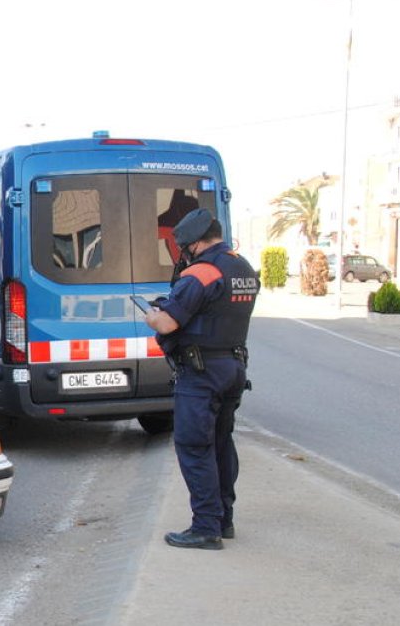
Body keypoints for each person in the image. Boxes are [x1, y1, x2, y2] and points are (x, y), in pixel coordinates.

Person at [144, 208, 259, 551]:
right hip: (233, 368)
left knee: (195, 446)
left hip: (201, 373)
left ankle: (205, 527)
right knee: (222, 443)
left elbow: (167, 324)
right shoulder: (243, 268)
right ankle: (224, 519)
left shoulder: (202, 273)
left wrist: (153, 316)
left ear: (193, 243)